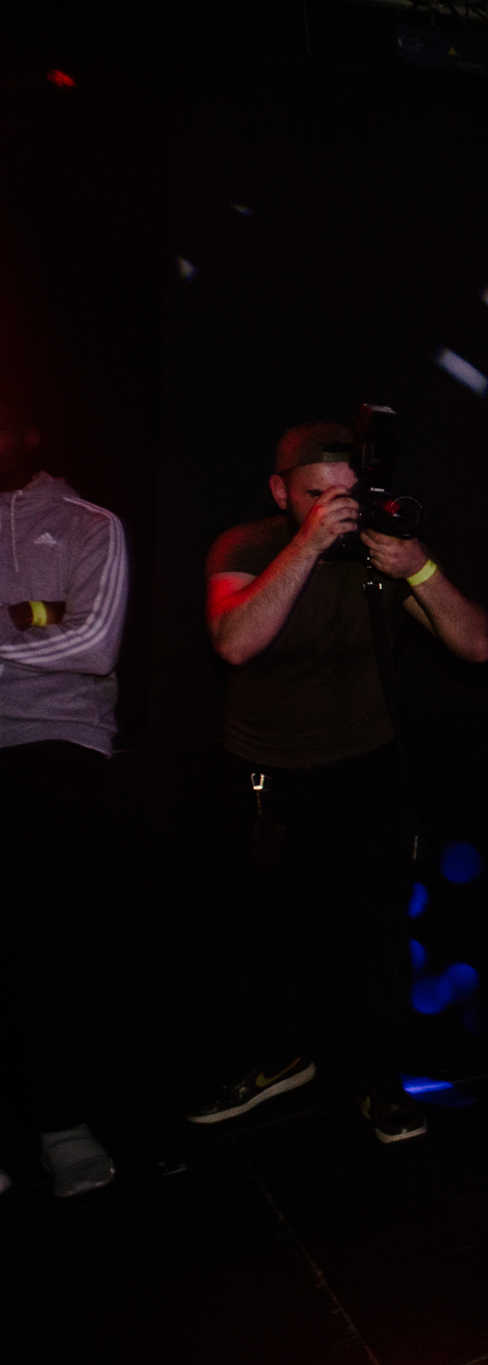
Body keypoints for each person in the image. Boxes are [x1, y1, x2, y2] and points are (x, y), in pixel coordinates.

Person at [187, 420, 488, 1142]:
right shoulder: (247, 545)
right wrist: (307, 544)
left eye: (347, 494)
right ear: (280, 491)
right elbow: (234, 640)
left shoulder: (380, 550)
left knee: (375, 938)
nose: (336, 508)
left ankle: (381, 1080)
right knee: (265, 936)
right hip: (266, 779)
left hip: (363, 770)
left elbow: (476, 645)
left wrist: (419, 567)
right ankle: (279, 1059)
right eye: (316, 494)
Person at [0, 403, 127, 1198]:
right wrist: (30, 622)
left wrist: (43, 625)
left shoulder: (88, 523)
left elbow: (94, 643)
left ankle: (61, 1123)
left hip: (57, 739)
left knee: (48, 931)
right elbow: (56, 631)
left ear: (27, 434)